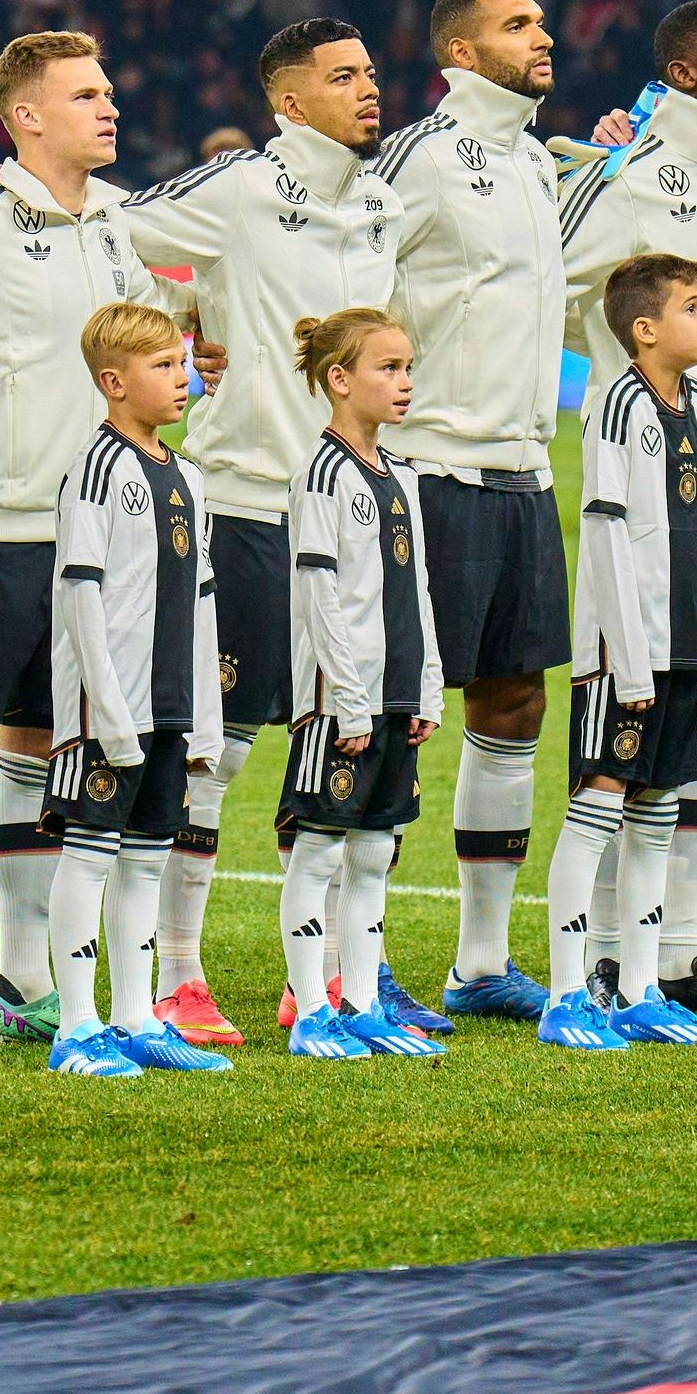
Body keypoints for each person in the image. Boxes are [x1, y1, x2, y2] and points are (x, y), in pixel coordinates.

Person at [121, 19, 405, 1036]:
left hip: (359, 517)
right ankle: (176, 974)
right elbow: (114, 226)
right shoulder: (239, 190)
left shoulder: (381, 205)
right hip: (251, 508)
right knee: (222, 751)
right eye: (342, 77)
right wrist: (170, 343)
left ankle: (319, 975)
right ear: (289, 102)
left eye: (370, 72)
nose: (367, 89)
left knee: (342, 745)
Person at [0, 33, 185, 1055]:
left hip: (103, 532)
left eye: (108, 90)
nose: (108, 109)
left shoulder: (121, 223)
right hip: (0, 523)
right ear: (25, 117)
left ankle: (22, 980)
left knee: (41, 748)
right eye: (84, 95)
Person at [559, 1, 697, 1023]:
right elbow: (543, 281)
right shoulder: (629, 173)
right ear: (683, 74)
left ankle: (676, 955)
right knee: (637, 716)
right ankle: (606, 956)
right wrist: (617, 375)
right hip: (655, 488)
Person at [373, 0, 568, 1020]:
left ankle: (482, 962)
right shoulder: (420, 158)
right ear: (459, 49)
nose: (544, 36)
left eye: (539, 21)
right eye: (518, 25)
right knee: (394, 709)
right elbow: (340, 275)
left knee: (513, 702)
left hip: (523, 475)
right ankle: (355, 962)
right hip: (428, 469)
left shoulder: (536, 160)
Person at [550, 254, 697, 1052]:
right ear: (644, 328)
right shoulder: (617, 406)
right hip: (626, 651)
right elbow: (603, 534)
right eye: (693, 307)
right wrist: (628, 660)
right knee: (598, 806)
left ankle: (636, 989)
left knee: (659, 812)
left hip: (687, 645)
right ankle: (567, 991)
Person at [39, 300, 232, 1079]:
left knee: (147, 858)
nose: (182, 377)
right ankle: (76, 1027)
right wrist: (107, 711)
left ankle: (131, 1017)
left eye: (181, 362)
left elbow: (203, 602)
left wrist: (205, 718)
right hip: (107, 708)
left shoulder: (184, 473)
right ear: (114, 382)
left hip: (171, 705)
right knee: (89, 854)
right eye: (163, 365)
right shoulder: (96, 467)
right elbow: (79, 594)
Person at [278, 305, 444, 1059]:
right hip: (339, 702)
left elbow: (417, 594)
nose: (405, 382)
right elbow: (318, 596)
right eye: (389, 368)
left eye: (408, 366)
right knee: (318, 851)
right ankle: (313, 1009)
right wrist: (347, 697)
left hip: (396, 694)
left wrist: (428, 685)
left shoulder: (400, 476)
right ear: (338, 380)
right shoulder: (322, 473)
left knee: (375, 851)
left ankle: (365, 1003)